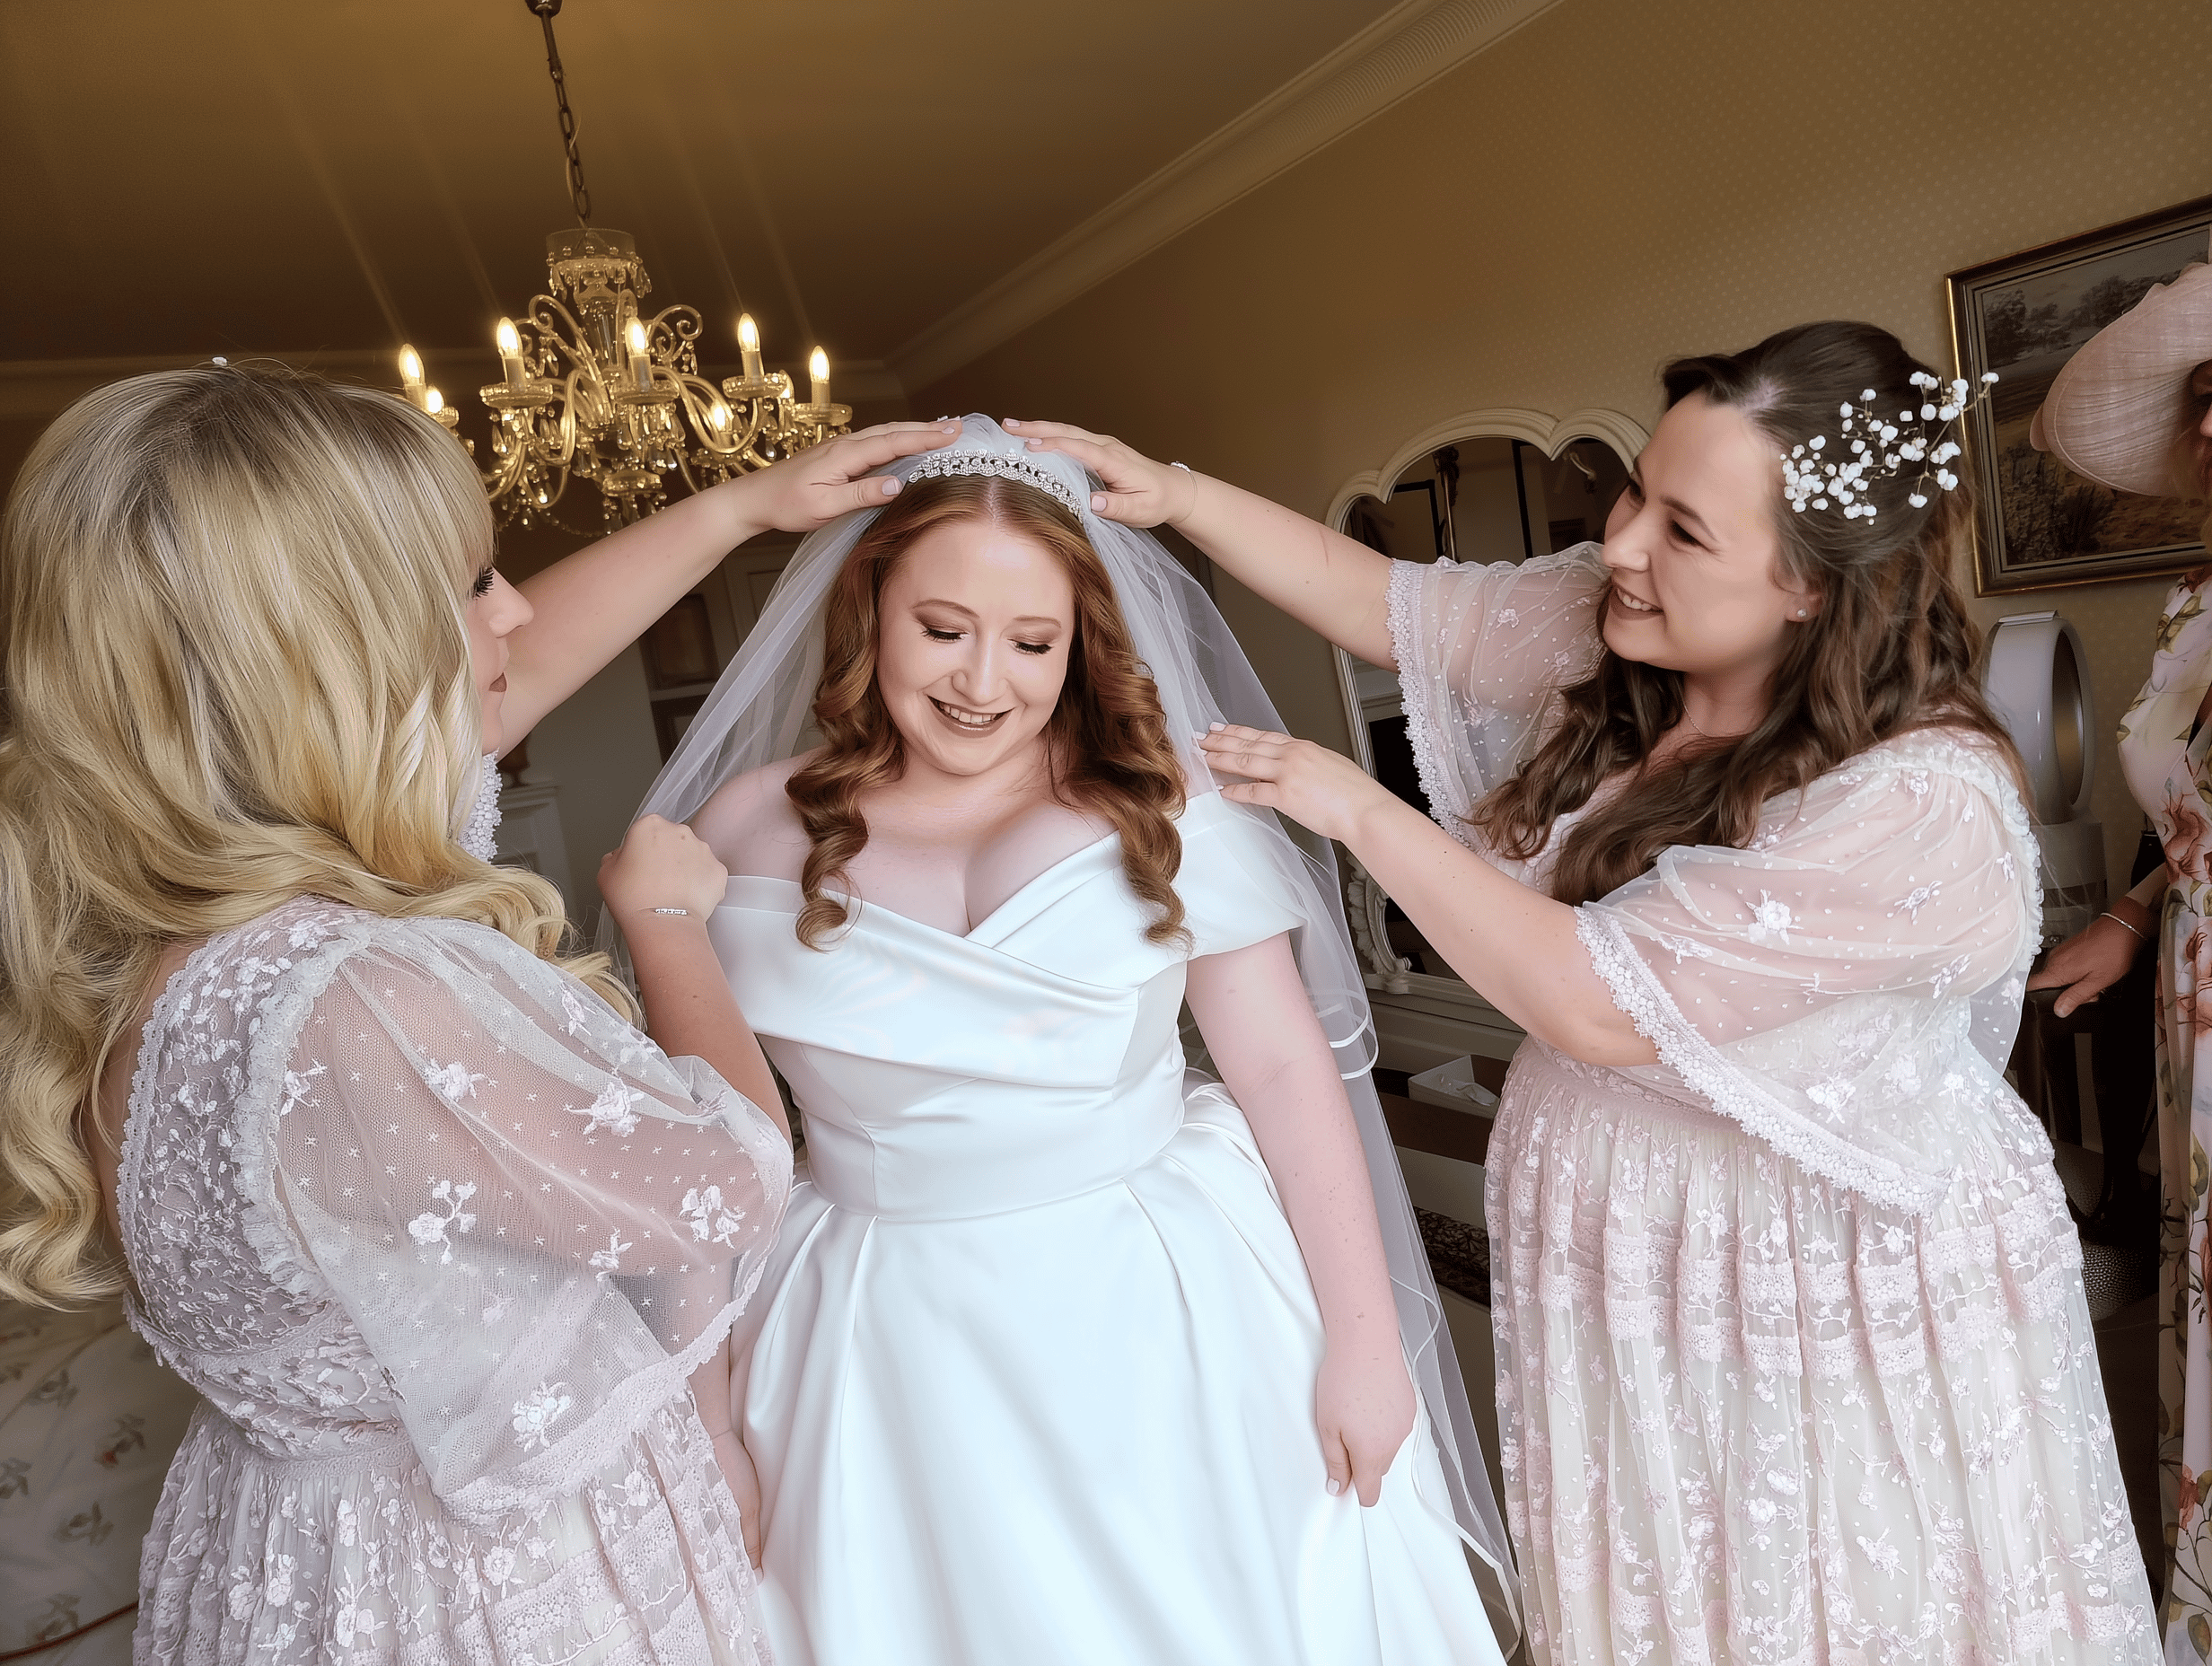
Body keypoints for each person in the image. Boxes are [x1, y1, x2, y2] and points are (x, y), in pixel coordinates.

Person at [1010, 319, 2158, 1666]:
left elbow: (1602, 1003)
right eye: (1635, 495)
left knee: (1834, 1599)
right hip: (1626, 1257)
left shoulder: (1923, 801)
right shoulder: (1612, 633)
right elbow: (1389, 603)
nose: (1619, 545)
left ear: (1810, 587)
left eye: (1684, 529)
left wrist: (1354, 807)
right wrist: (1176, 493)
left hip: (1814, 1278)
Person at [0, 361, 954, 1664]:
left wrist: (741, 511)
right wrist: (673, 929)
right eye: (472, 583)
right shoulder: (362, 1000)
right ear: (347, 655)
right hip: (496, 1583)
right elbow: (729, 1181)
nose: (515, 610)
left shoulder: (160, 963)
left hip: (284, 1555)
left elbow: (503, 668)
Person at [628, 416, 1516, 1666]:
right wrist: (712, 1425)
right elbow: (700, 1141)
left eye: (1031, 642)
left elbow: (1278, 1068)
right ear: (870, 608)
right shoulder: (744, 826)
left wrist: (1368, 1347)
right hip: (879, 1331)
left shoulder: (1168, 805)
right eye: (942, 629)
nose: (982, 682)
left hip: (1162, 1303)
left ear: (1080, 643)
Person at [2025, 242, 2212, 1649]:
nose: (2209, 428)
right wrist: (2135, 914)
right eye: (2202, 401)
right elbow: (2184, 798)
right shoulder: (2199, 603)